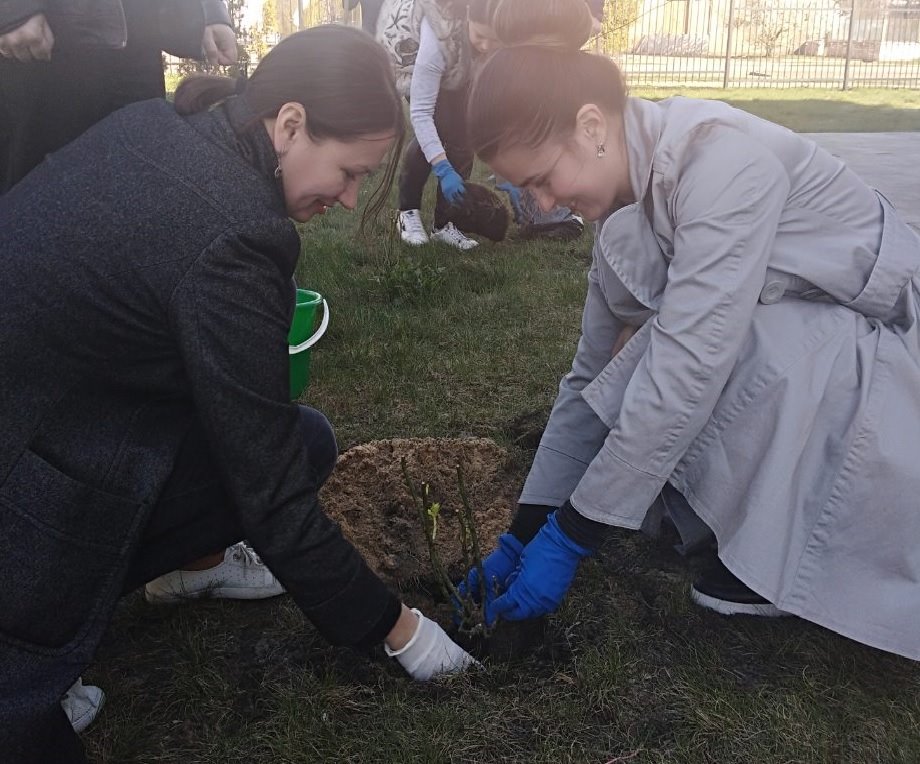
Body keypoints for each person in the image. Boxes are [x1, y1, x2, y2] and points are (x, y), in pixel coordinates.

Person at [0, 25, 476, 763]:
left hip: (48, 399)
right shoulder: (233, 235)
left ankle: (189, 569)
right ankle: (32, 643)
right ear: (290, 124)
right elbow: (272, 490)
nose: (350, 198)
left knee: (306, 437)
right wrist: (400, 631)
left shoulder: (162, 124)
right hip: (23, 470)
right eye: (349, 172)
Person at [460, 0, 920, 661]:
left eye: (542, 180)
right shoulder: (621, 213)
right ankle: (737, 525)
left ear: (591, 125)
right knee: (646, 353)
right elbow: (588, 378)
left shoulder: (720, 162)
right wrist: (526, 531)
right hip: (809, 336)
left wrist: (575, 535)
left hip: (882, 356)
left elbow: (691, 364)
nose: (543, 205)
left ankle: (769, 558)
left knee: (719, 344)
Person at [0, 0, 238, 194]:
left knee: (140, 189)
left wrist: (207, 10)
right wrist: (12, 8)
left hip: (139, 37)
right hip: (46, 46)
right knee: (30, 196)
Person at [380, 0, 501, 250]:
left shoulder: (501, 40)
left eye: (495, 39)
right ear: (467, 17)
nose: (486, 46)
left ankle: (444, 224)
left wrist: (505, 169)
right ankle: (407, 212)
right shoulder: (438, 38)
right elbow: (420, 113)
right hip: (410, 58)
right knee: (437, 125)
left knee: (462, 135)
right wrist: (444, 169)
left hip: (457, 65)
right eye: (480, 36)